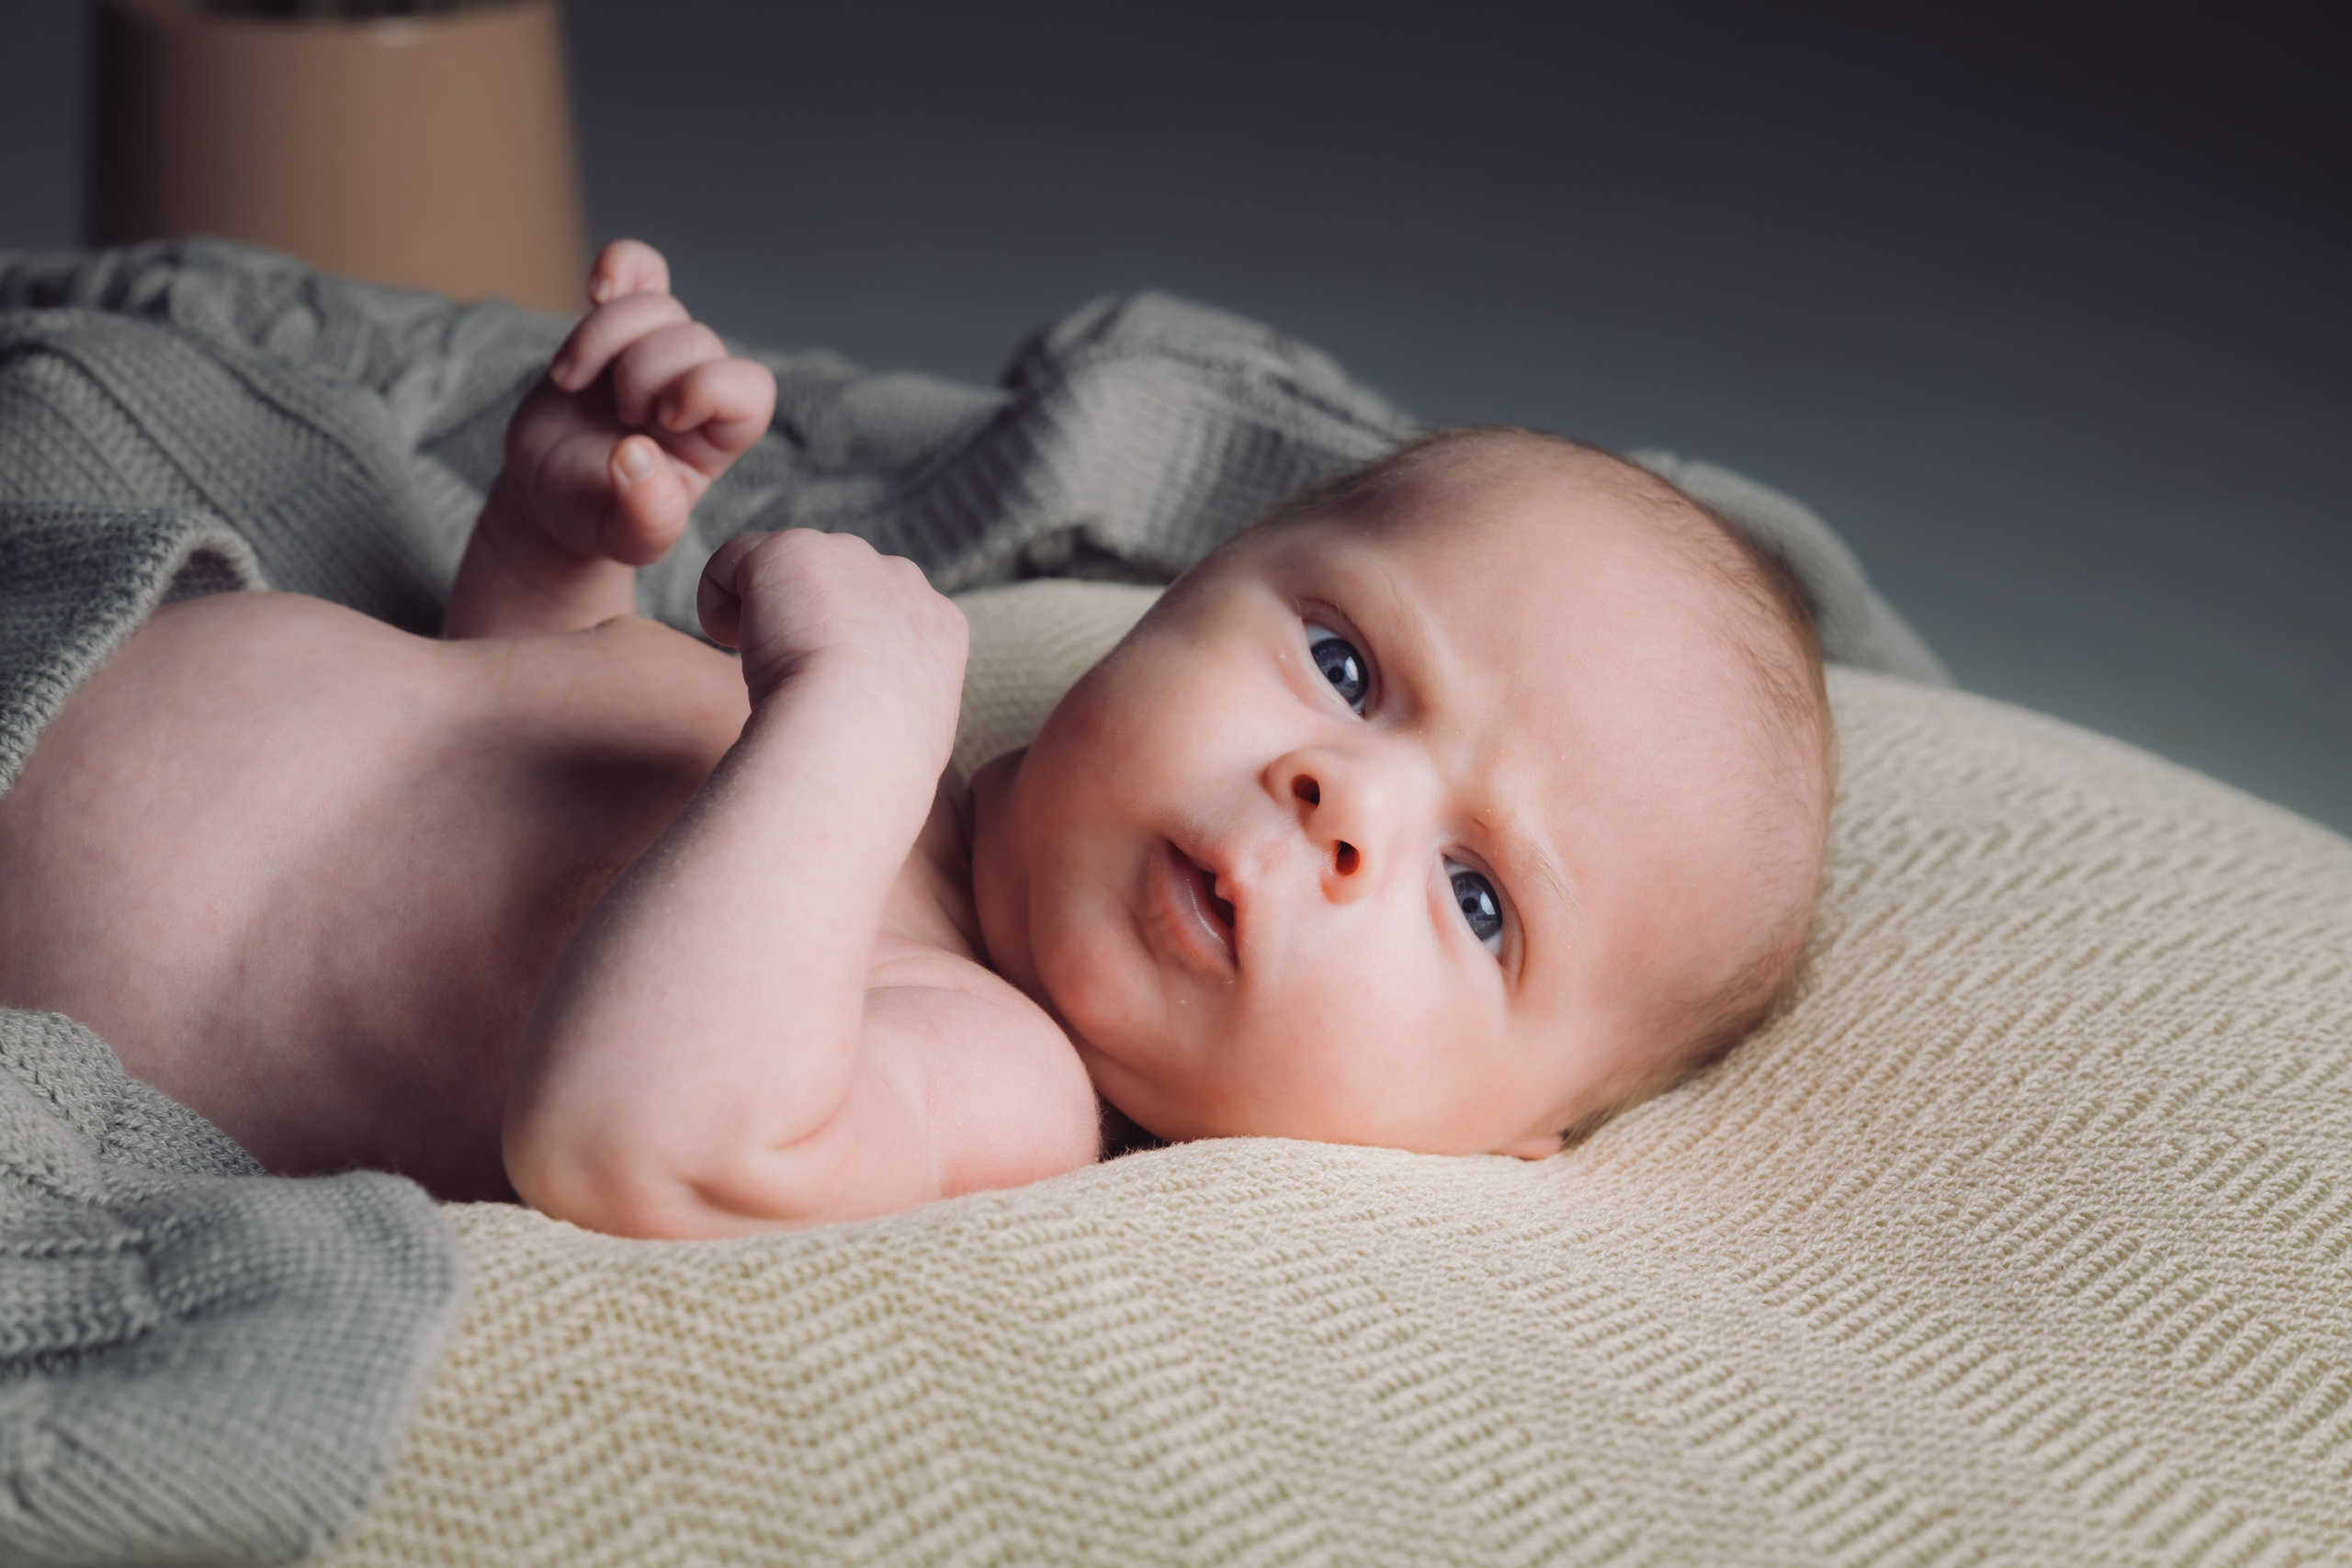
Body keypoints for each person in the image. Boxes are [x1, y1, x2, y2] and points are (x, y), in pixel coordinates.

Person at [0, 241, 1832, 1238]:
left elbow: (642, 1133)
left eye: (1476, 897)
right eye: (1347, 668)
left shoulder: (994, 1075)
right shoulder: (866, 758)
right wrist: (566, 539)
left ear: (1500, 1136)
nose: (1339, 799)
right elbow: (509, 738)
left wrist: (855, 713)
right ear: (1182, 582)